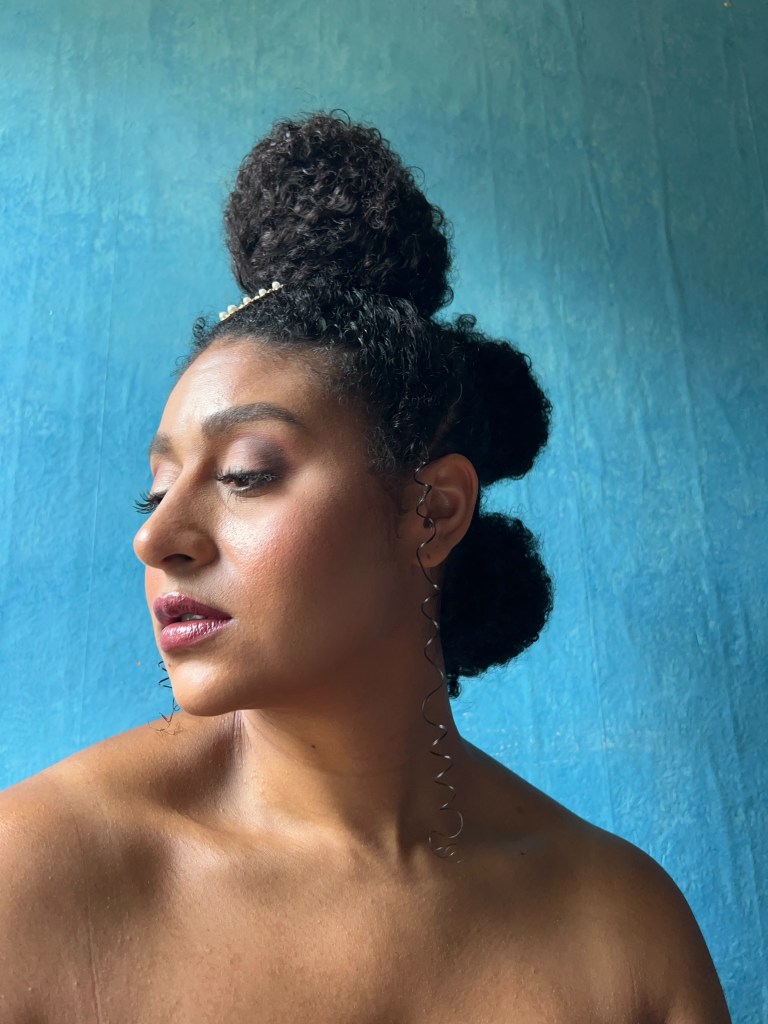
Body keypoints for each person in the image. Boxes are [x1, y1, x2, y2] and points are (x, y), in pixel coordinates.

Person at [0, 112, 731, 1023]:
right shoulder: (32, 883)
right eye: (156, 491)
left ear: (434, 511)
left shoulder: (622, 936)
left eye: (245, 475)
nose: (159, 539)